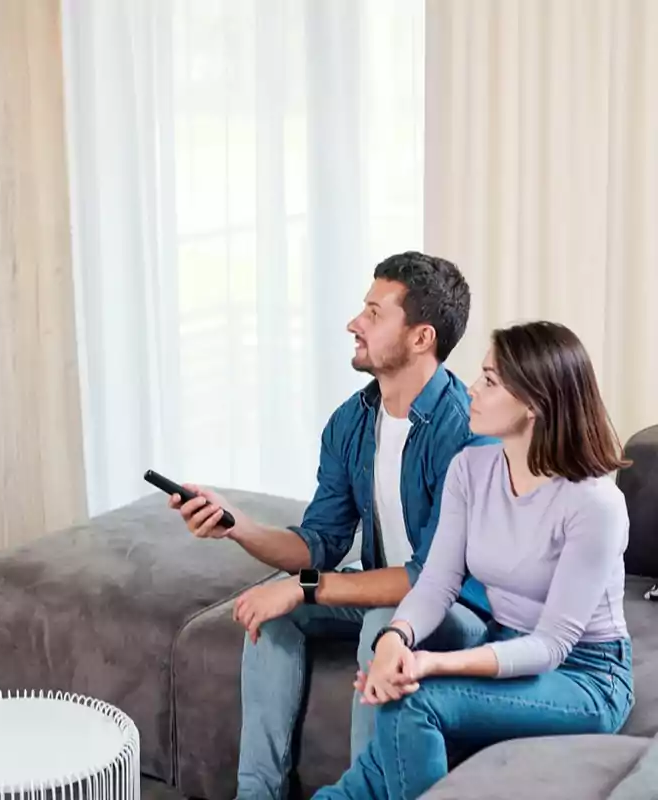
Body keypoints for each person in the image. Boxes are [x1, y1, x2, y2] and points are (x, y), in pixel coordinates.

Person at [170, 252, 494, 799]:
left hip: (460, 610)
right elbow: (318, 544)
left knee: (381, 624)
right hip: (378, 587)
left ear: (421, 338)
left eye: (373, 312)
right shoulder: (352, 422)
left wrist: (303, 589)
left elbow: (429, 579)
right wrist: (238, 526)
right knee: (270, 618)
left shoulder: (466, 434)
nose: (354, 323)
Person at [317, 320, 635, 800]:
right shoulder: (471, 467)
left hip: (585, 675)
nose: (471, 389)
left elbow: (551, 646)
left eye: (490, 380)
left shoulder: (594, 504)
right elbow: (436, 584)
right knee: (355, 787)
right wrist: (393, 640)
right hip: (502, 641)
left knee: (411, 703)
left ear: (534, 403)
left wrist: (430, 665)